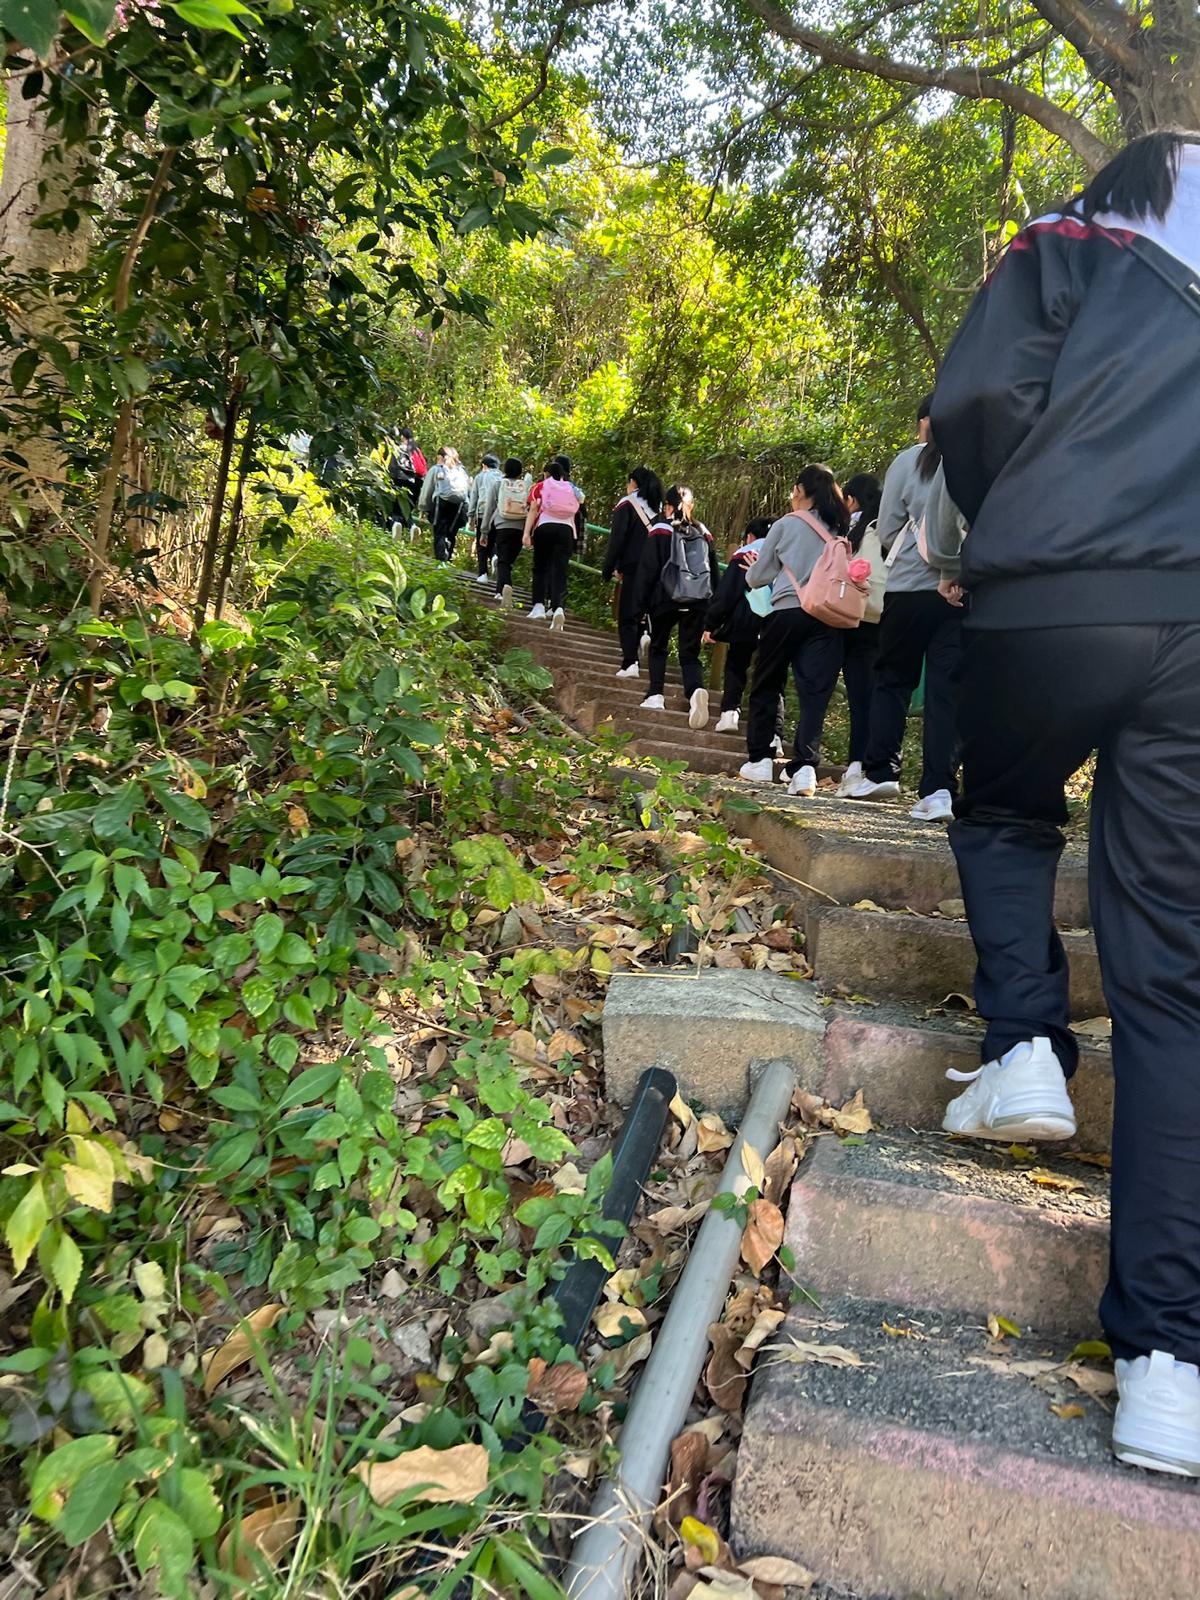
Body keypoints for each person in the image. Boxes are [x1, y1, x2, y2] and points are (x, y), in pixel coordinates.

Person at [930, 129, 1200, 1480]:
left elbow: (978, 396)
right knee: (1174, 976)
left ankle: (1027, 1043)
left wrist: (1019, 511)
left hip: (1050, 594)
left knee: (1003, 801)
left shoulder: (1072, 246)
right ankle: (1170, 1367)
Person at [844, 400, 962, 821]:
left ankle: (881, 772)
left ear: (927, 422)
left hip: (909, 587)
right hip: (962, 589)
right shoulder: (979, 457)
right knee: (947, 689)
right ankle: (939, 790)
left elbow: (889, 525)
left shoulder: (909, 461)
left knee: (893, 679)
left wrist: (913, 553)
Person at [739, 466, 848, 795]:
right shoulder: (839, 528)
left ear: (800, 490)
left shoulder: (786, 524)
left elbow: (757, 577)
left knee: (767, 681)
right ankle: (804, 768)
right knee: (814, 692)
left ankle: (760, 759)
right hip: (827, 615)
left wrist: (753, 570)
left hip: (787, 611)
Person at [634, 484, 720, 728]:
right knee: (689, 654)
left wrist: (640, 606)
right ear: (691, 506)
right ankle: (695, 692)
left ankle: (655, 695)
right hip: (698, 599)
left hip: (666, 598)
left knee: (658, 646)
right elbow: (714, 573)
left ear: (667, 506)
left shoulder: (660, 529)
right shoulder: (703, 532)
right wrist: (713, 612)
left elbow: (648, 570)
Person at [702, 517, 784, 748]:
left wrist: (711, 624)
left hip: (746, 620)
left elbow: (727, 593)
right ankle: (775, 734)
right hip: (778, 621)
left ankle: (730, 712)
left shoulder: (745, 553)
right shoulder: (785, 552)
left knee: (736, 665)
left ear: (750, 536)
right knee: (774, 675)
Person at [836, 473, 883, 796]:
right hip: (889, 614)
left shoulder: (851, 527)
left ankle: (856, 765)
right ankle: (880, 765)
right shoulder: (893, 526)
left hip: (854, 616)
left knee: (859, 695)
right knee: (885, 692)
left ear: (851, 499)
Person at [602, 466, 663, 678]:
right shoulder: (661, 509)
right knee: (645, 611)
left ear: (633, 482)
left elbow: (617, 539)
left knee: (627, 614)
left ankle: (630, 662)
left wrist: (609, 567)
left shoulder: (627, 504)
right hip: (657, 569)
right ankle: (645, 634)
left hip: (634, 566)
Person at [523, 456, 581, 628]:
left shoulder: (541, 486)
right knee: (559, 570)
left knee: (540, 567)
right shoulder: (571, 488)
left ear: (547, 473)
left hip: (545, 526)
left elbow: (533, 509)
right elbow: (581, 505)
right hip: (567, 531)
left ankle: (539, 607)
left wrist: (526, 533)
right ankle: (558, 608)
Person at [482, 457, 532, 607]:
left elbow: (489, 508)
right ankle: (504, 587)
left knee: (503, 560)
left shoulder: (498, 484)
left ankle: (502, 590)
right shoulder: (525, 486)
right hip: (520, 528)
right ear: (520, 472)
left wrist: (484, 531)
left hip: (502, 526)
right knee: (508, 561)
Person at [419, 446, 471, 562]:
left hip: (441, 503)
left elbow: (427, 489)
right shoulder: (461, 471)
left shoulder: (437, 469)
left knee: (440, 532)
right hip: (459, 505)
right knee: (451, 533)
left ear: (440, 457)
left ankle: (441, 561)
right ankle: (448, 558)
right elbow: (467, 491)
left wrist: (423, 508)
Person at [467, 453, 503, 583]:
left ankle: (483, 574)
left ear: (484, 465)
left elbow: (474, 498)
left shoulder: (480, 477)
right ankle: (494, 556)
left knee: (482, 543)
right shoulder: (503, 478)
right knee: (494, 541)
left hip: (483, 513)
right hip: (500, 515)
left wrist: (471, 518)